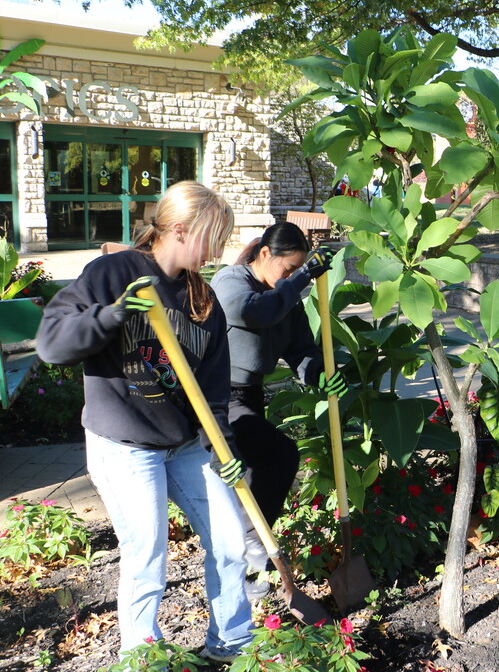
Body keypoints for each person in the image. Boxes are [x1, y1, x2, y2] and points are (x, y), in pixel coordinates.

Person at [36, 181, 252, 662]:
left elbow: (213, 390)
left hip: (186, 445)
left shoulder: (204, 301)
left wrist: (225, 448)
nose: (220, 250)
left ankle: (232, 644)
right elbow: (52, 346)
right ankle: (143, 656)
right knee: (148, 556)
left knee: (231, 542)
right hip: (125, 443)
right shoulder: (115, 273)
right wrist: (111, 316)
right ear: (178, 229)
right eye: (213, 237)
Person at [209, 222, 347, 580]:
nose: (289, 277)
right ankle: (245, 551)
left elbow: (300, 350)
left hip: (249, 396)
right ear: (265, 254)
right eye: (287, 268)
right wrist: (301, 279)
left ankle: (248, 555)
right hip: (217, 400)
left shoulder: (284, 297)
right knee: (274, 456)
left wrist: (320, 375)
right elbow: (254, 312)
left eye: (295, 271)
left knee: (261, 471)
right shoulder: (231, 281)